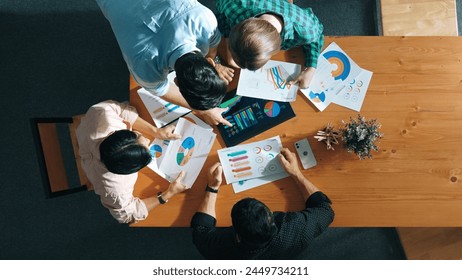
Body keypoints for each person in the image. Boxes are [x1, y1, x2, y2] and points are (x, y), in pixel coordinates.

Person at [95, 0, 235, 126]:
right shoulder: (144, 67)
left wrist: (216, 63)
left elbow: (213, 44)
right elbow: (161, 90)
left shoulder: (204, 19)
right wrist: (203, 111)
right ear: (176, 81)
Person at [191, 148, 334, 259]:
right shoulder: (294, 231)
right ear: (270, 217)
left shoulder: (217, 250)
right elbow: (325, 209)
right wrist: (296, 173)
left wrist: (213, 186)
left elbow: (201, 229)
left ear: (238, 235)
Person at [76, 100, 187, 223]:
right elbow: (127, 216)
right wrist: (168, 194)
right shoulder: (114, 189)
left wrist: (156, 132)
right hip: (89, 162)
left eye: (136, 135)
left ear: (115, 134)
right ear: (130, 170)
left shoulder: (101, 114)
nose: (146, 140)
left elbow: (122, 109)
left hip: (85, 137)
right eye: (146, 151)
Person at [216, 0, 324, 88]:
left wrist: (311, 68)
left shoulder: (307, 29)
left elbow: (318, 36)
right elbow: (221, 14)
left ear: (277, 47)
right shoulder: (232, 4)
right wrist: (227, 38)